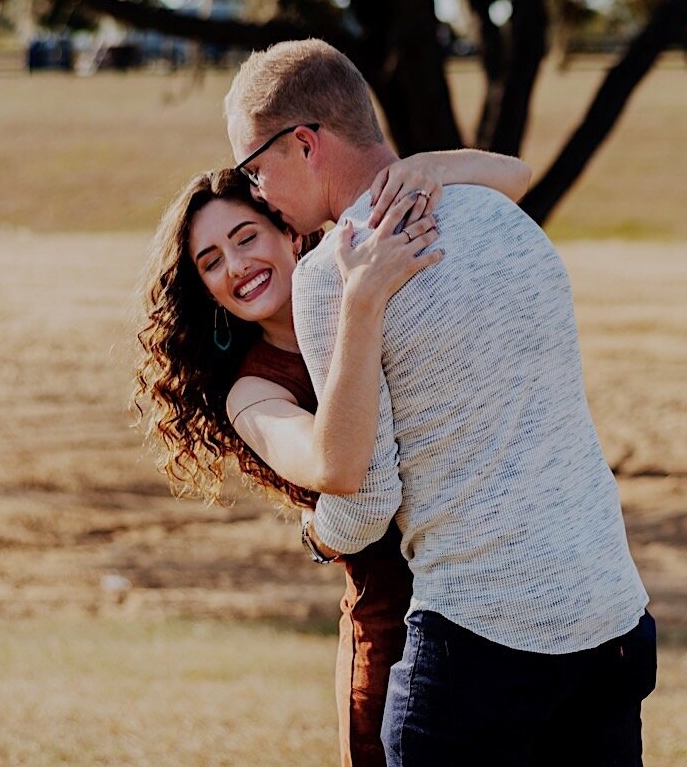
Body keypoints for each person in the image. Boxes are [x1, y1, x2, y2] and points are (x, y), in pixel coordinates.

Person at [224, 39, 655, 766]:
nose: (257, 191)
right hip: (611, 612)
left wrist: (315, 532)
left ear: (305, 143)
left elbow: (364, 499)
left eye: (254, 168)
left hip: (486, 641)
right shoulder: (500, 211)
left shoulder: (335, 272)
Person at [133, 152, 530, 766]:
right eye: (212, 262)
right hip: (395, 632)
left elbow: (515, 178)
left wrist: (427, 167)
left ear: (290, 231)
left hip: (497, 601)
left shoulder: (369, 270)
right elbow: (334, 465)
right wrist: (322, 534)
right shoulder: (253, 391)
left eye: (247, 237)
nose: (237, 266)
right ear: (206, 289)